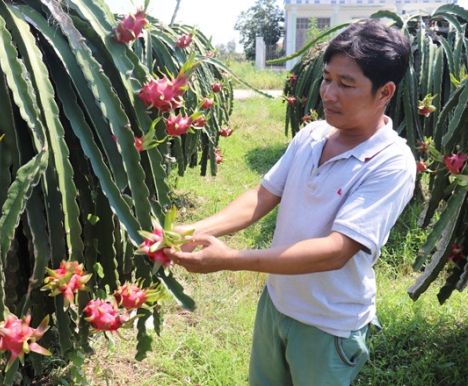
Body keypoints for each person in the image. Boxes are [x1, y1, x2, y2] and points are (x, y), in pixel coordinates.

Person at [165, 20, 415, 386]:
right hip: (277, 304)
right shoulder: (313, 134)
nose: (329, 93)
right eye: (327, 78)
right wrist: (194, 229)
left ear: (385, 92)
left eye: (346, 84)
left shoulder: (391, 162)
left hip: (328, 326)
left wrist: (230, 260)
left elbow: (336, 251)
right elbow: (263, 195)